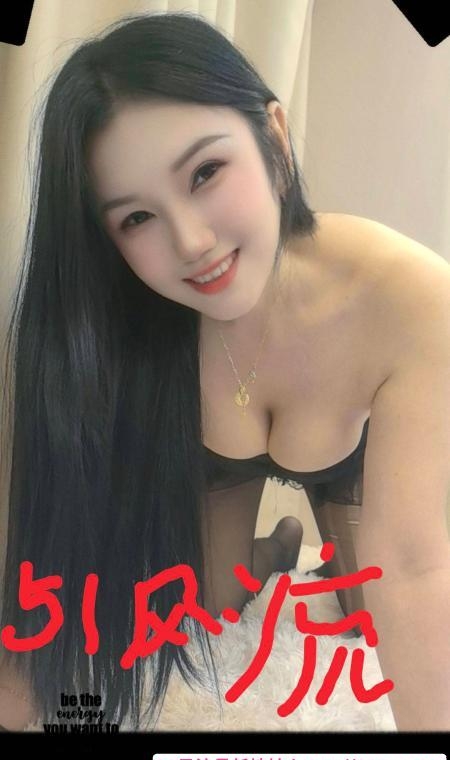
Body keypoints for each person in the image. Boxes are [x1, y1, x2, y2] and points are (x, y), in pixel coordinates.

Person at [0, 10, 449, 733]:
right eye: (136, 218)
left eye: (206, 173)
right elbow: (51, 563)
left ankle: (324, 541)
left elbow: (417, 566)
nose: (191, 242)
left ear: (275, 139)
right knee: (202, 610)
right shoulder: (124, 322)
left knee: (374, 608)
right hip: (219, 461)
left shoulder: (412, 298)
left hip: (354, 458)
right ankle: (277, 550)